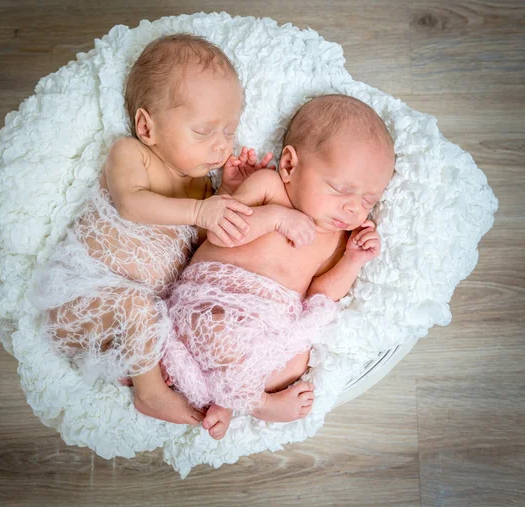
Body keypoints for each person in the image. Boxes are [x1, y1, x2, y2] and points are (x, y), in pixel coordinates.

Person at [29, 34, 318, 427]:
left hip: (143, 325)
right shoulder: (132, 155)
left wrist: (230, 194)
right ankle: (150, 396)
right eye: (203, 132)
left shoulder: (203, 188)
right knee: (136, 306)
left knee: (196, 336)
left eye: (229, 133)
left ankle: (222, 400)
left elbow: (203, 255)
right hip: (86, 297)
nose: (220, 147)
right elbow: (132, 205)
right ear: (147, 127)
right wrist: (202, 210)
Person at [160, 94, 397, 439]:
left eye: (367, 201)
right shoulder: (268, 188)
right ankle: (256, 403)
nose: (352, 210)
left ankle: (225, 402)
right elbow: (218, 232)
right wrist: (274, 219)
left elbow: (321, 294)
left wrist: (353, 261)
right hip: (215, 302)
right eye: (339, 189)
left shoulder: (336, 238)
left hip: (266, 324)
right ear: (289, 166)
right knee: (198, 333)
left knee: (295, 360)